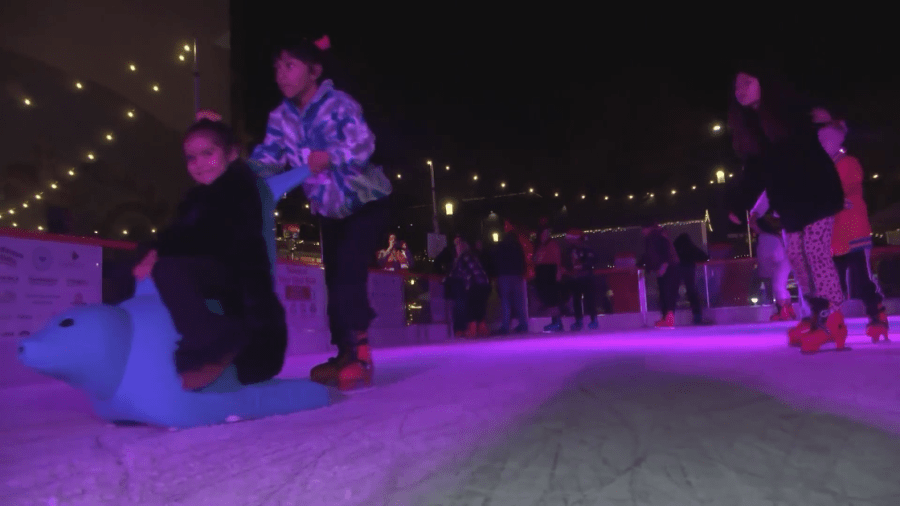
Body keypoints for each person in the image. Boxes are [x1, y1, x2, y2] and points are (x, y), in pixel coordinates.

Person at [248, 34, 392, 389]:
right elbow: (267, 159)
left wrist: (331, 156)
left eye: (290, 65)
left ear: (314, 71)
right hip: (328, 210)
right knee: (332, 283)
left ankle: (360, 353)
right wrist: (228, 161)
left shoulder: (338, 103)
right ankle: (346, 352)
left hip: (365, 202)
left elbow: (364, 143)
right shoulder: (280, 118)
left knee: (347, 276)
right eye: (277, 67)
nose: (281, 74)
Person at [132, 113, 287, 390]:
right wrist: (152, 251)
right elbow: (179, 233)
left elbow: (211, 234)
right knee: (152, 268)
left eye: (208, 153)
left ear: (231, 154)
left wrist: (158, 253)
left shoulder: (239, 186)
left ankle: (212, 341)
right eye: (191, 158)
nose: (199, 164)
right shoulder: (197, 197)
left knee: (169, 269)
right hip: (219, 287)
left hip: (248, 307)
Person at [728, 65, 846, 352]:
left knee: (816, 253)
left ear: (763, 82)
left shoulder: (786, 111)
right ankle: (815, 314)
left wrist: (830, 119)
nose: (740, 89)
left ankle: (834, 320)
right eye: (736, 86)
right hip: (790, 203)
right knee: (796, 255)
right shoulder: (752, 126)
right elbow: (754, 169)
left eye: (747, 81)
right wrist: (738, 202)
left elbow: (815, 118)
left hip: (816, 193)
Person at [818, 119, 889, 342]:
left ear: (838, 140)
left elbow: (850, 188)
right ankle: (833, 320)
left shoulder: (849, 163)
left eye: (825, 139)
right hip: (834, 234)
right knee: (834, 281)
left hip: (853, 231)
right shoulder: (825, 167)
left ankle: (876, 316)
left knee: (861, 278)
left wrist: (835, 200)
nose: (822, 144)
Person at [748, 191, 797, 321]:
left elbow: (753, 224)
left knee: (778, 283)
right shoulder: (780, 219)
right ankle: (788, 309)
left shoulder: (763, 220)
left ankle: (784, 311)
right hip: (785, 249)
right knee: (780, 282)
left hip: (777, 250)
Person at [640, 220, 679, 328]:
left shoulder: (655, 236)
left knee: (666, 292)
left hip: (667, 267)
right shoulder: (657, 235)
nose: (642, 232)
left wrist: (664, 265)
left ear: (648, 228)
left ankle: (668, 318)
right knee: (664, 292)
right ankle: (666, 317)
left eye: (643, 229)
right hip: (666, 267)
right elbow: (650, 255)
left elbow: (660, 252)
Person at [448, 238, 491, 338]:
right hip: (485, 284)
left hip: (474, 285)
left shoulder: (463, 258)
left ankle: (472, 330)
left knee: (470, 307)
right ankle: (482, 328)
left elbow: (456, 274)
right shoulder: (473, 257)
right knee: (480, 307)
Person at [493, 224, 529, 334]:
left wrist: (496, 274)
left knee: (505, 301)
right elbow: (522, 260)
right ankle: (523, 324)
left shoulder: (500, 246)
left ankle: (505, 325)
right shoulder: (517, 246)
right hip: (516, 275)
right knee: (519, 301)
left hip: (504, 275)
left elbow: (496, 261)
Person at [562, 230, 600, 331]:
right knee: (576, 300)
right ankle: (579, 321)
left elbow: (593, 260)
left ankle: (593, 320)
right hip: (575, 279)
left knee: (589, 300)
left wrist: (583, 266)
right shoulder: (570, 250)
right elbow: (567, 262)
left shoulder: (587, 249)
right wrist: (568, 269)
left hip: (587, 278)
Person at [672, 232, 710, 325]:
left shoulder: (675, 249)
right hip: (689, 272)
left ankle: (668, 317)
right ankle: (697, 317)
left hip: (676, 272)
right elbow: (704, 256)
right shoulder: (691, 248)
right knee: (692, 293)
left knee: (672, 294)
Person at [533, 225, 564, 332]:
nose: (545, 235)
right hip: (543, 273)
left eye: (547, 233)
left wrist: (558, 271)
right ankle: (555, 321)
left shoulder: (552, 245)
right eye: (543, 233)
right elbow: (536, 260)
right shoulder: (541, 246)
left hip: (550, 272)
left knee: (553, 298)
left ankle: (557, 322)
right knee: (549, 298)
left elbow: (557, 259)